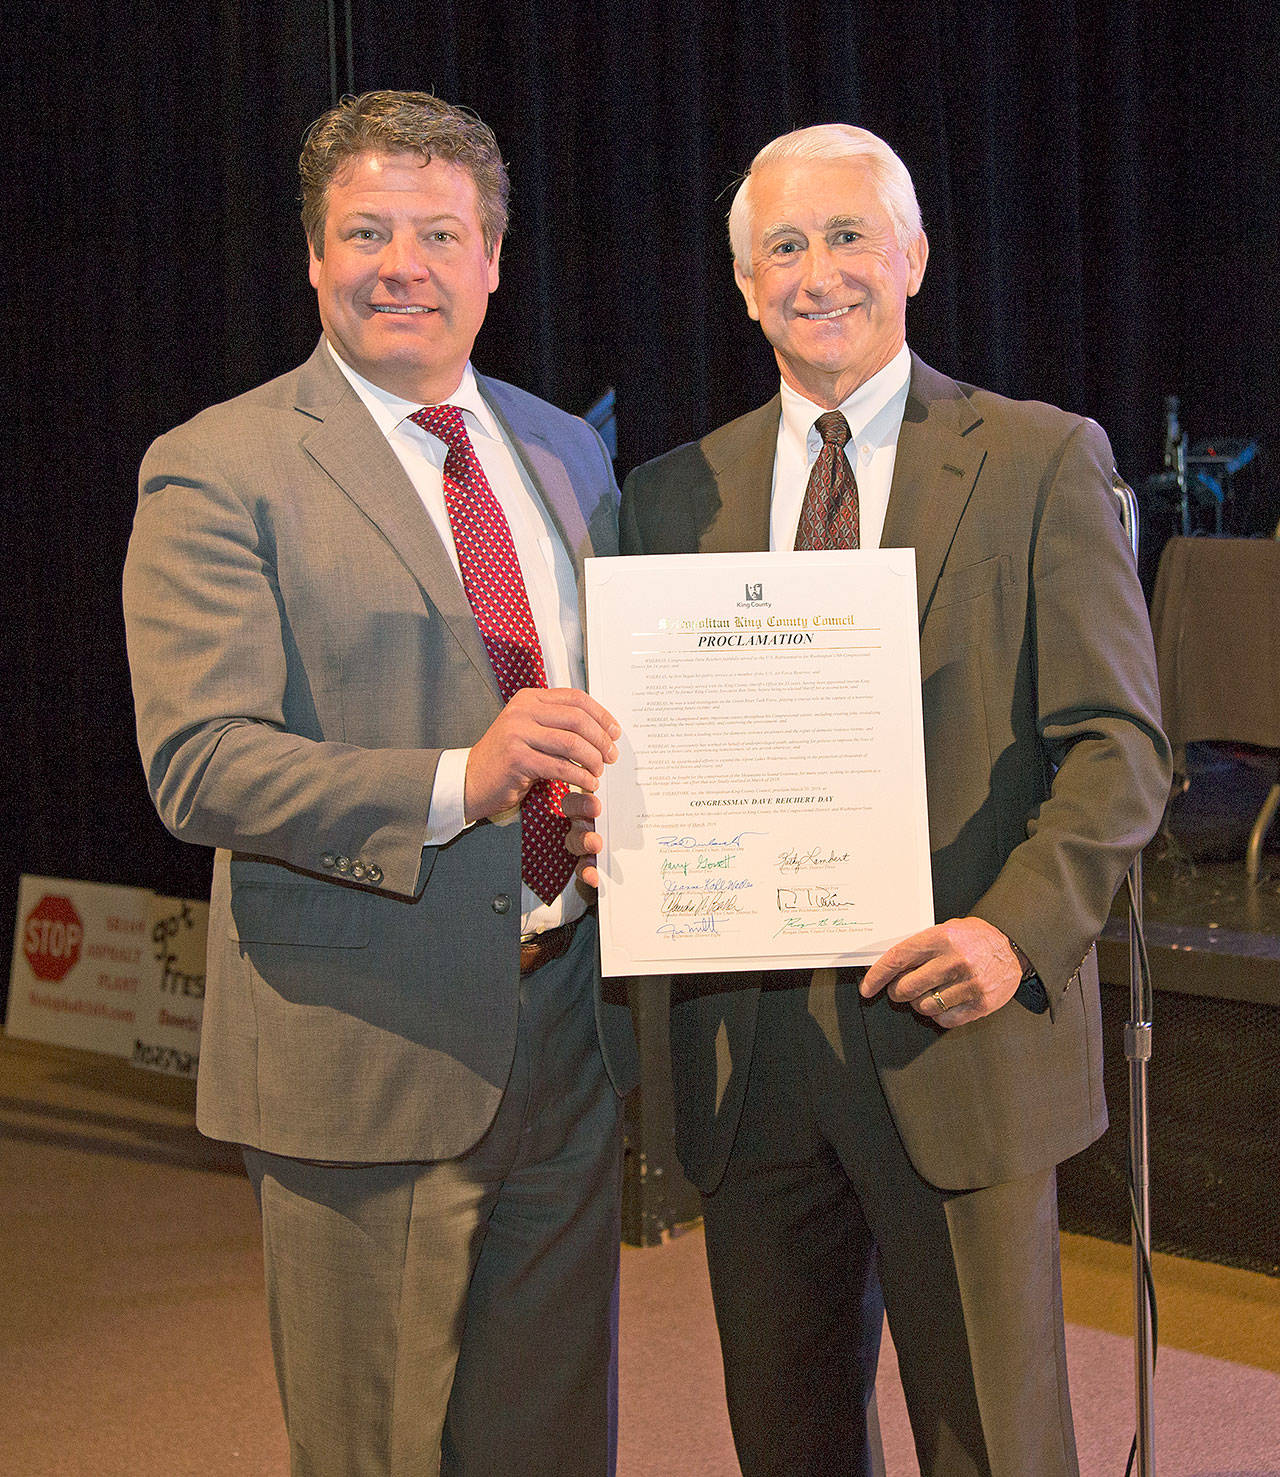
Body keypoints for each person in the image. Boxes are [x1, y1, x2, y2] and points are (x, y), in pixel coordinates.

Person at [569, 124, 1170, 1477]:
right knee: (785, 1434)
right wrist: (624, 826)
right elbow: (637, 746)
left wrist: (1011, 931)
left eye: (849, 235)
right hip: (752, 1053)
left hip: (958, 1027)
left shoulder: (1035, 460)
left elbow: (1119, 745)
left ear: (914, 256)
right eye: (784, 244)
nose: (819, 269)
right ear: (743, 285)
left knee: (995, 1439)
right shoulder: (671, 496)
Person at [123, 90, 636, 1477]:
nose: (400, 261)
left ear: (492, 260)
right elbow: (201, 763)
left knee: (547, 1444)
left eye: (437, 231)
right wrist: (463, 779)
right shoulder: (217, 468)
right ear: (311, 257)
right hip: (363, 1046)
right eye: (366, 230)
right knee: (378, 1450)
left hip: (567, 1040)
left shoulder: (563, 452)